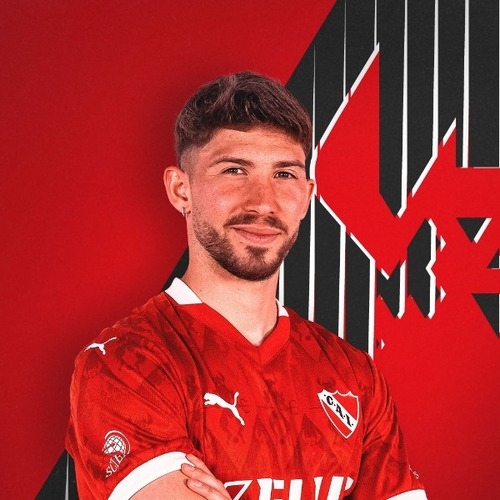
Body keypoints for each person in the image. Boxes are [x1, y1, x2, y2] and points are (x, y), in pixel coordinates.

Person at [66, 72, 427, 499]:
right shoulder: (125, 365)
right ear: (181, 189)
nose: (263, 202)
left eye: (284, 175)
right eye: (235, 170)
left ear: (307, 195)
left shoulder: (354, 377)